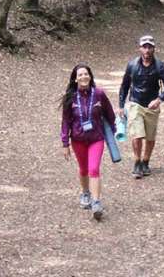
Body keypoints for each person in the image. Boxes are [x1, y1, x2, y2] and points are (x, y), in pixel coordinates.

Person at [60, 64, 116, 220]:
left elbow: (110, 114)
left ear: (90, 76)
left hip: (96, 139)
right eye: (80, 75)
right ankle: (85, 193)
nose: (83, 77)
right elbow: (65, 122)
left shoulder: (99, 94)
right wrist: (65, 143)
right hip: (77, 139)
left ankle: (96, 202)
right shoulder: (70, 98)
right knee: (83, 169)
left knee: (94, 169)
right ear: (75, 79)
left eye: (86, 74)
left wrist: (114, 131)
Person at [118, 35, 164, 179]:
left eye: (149, 47)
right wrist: (121, 105)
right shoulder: (132, 65)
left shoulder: (160, 66)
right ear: (139, 48)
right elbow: (124, 86)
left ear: (154, 48)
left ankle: (145, 161)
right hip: (135, 103)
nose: (147, 50)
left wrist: (159, 99)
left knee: (150, 136)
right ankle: (137, 162)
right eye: (144, 46)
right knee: (137, 134)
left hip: (152, 106)